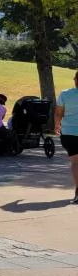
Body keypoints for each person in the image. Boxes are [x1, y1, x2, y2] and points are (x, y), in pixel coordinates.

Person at [53, 69, 78, 204]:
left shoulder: (65, 94)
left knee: (75, 162)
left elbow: (58, 113)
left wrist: (57, 125)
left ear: (75, 80)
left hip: (69, 132)